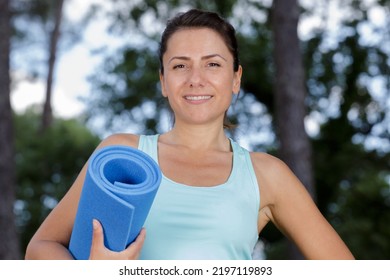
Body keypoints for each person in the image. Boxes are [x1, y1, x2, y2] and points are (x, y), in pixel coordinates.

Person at [25, 8, 354, 260]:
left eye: (213, 64)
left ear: (235, 78)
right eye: (180, 65)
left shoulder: (266, 174)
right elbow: (41, 247)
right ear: (164, 81)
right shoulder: (122, 155)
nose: (196, 78)